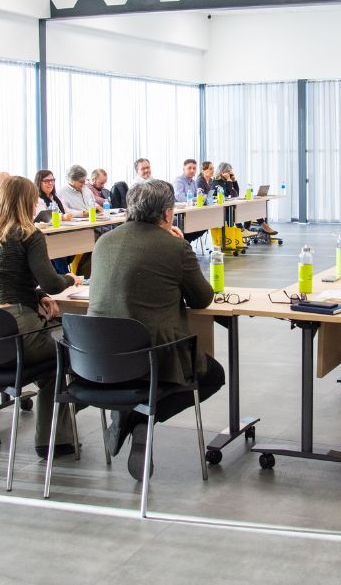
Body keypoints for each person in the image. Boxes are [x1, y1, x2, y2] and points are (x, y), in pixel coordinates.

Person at [88, 179, 225, 479]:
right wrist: (181, 246)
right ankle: (141, 418)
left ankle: (131, 415)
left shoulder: (103, 242)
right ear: (166, 214)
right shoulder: (175, 247)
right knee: (214, 375)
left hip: (97, 358)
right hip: (151, 358)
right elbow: (202, 298)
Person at [0, 176, 82, 458]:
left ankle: (57, 437)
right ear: (25, 202)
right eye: (34, 200)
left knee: (51, 366)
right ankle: (53, 440)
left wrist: (36, 295)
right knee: (70, 349)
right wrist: (71, 279)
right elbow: (52, 283)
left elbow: (1, 279)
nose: (36, 205)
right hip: (16, 331)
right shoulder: (28, 234)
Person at [34, 170, 73, 275]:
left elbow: (67, 211)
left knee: (72, 247)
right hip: (47, 236)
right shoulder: (37, 199)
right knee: (60, 251)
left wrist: (83, 213)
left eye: (52, 180)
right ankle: (64, 275)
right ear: (39, 182)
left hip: (61, 231)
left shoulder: (55, 197)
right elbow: (42, 217)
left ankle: (64, 274)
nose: (50, 183)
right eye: (46, 181)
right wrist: (62, 217)